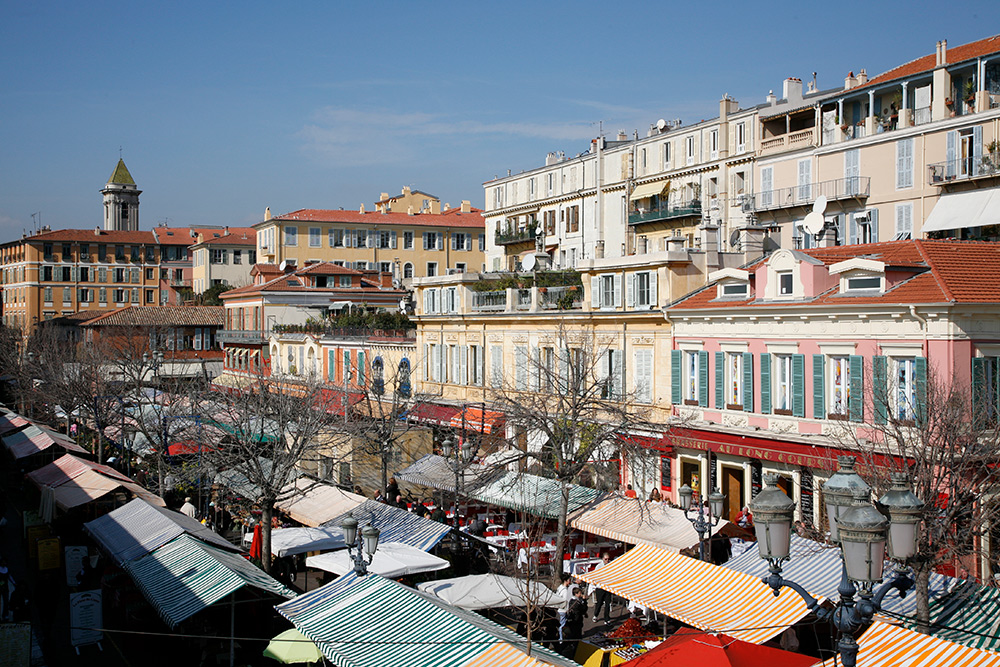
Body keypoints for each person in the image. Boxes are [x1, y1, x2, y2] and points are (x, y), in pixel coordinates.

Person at [590, 553, 613, 624]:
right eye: (606, 559)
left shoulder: (610, 565)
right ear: (603, 559)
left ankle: (607, 618)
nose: (607, 560)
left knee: (607, 603)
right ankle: (595, 615)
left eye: (608, 559)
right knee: (599, 603)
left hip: (608, 587)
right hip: (600, 587)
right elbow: (596, 576)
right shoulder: (599, 566)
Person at [564, 586, 588, 654]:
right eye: (579, 593)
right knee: (576, 636)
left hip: (573, 621)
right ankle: (574, 650)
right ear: (576, 594)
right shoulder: (577, 603)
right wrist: (584, 601)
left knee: (573, 635)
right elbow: (583, 609)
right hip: (577, 621)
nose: (581, 594)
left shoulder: (571, 601)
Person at [555, 573, 577, 642]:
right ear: (566, 580)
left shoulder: (560, 587)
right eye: (569, 580)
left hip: (560, 609)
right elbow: (564, 601)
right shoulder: (565, 590)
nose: (570, 581)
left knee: (562, 623)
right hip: (563, 610)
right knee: (562, 625)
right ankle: (561, 638)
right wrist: (567, 609)